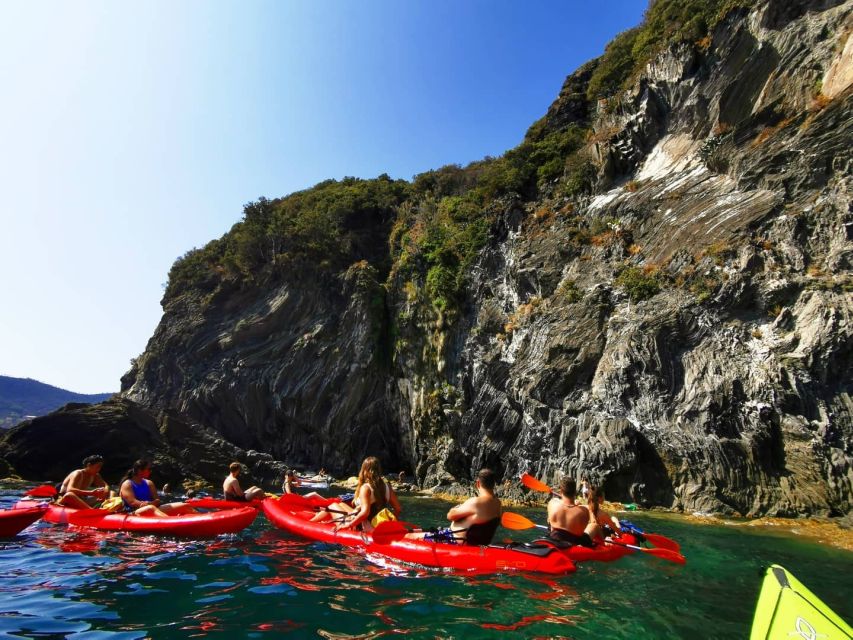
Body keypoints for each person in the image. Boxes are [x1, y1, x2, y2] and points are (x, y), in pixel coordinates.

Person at [412, 468, 502, 545]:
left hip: (456, 540)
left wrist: (455, 508)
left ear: (478, 483)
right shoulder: (498, 504)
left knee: (409, 536)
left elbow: (450, 516)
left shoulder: (475, 502)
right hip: (477, 542)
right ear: (493, 484)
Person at [312, 456, 401, 532]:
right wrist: (389, 523)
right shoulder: (387, 486)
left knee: (332, 506)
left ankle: (310, 523)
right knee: (341, 504)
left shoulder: (366, 488)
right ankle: (316, 521)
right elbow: (398, 509)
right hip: (375, 524)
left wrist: (349, 525)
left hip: (363, 526)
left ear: (364, 470)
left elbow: (365, 513)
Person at [119, 459, 196, 517]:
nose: (150, 471)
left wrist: (152, 503)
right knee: (150, 508)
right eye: (148, 469)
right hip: (133, 513)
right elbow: (132, 502)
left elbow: (157, 501)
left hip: (152, 508)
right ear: (140, 470)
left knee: (184, 505)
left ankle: (204, 519)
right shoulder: (127, 484)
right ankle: (173, 522)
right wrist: (149, 504)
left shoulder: (149, 483)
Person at [546, 476, 596, 547]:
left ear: (561, 491)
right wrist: (579, 506)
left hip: (555, 540)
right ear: (575, 492)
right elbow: (593, 521)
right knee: (594, 525)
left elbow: (559, 502)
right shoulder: (585, 510)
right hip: (576, 543)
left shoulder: (552, 503)